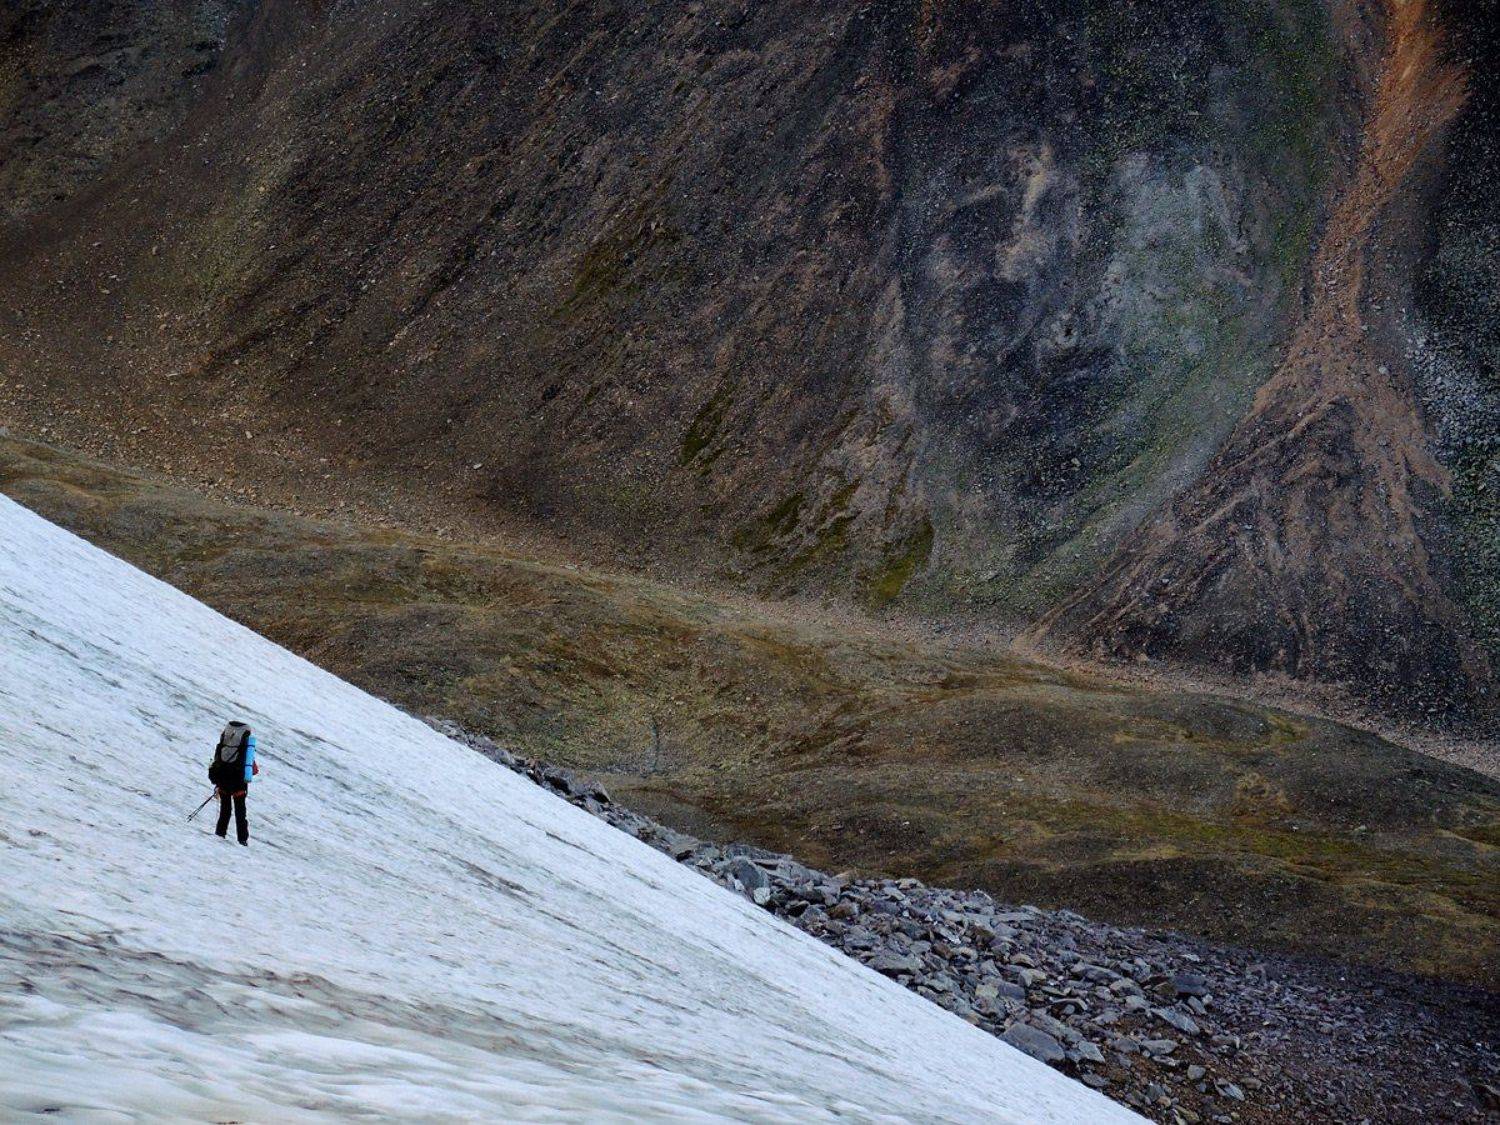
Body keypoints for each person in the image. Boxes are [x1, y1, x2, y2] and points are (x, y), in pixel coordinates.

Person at [208, 720, 259, 845]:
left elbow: (216, 761)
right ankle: (242, 840)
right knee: (240, 813)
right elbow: (254, 770)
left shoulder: (223, 744)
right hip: (238, 784)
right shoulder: (245, 748)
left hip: (223, 782)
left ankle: (220, 834)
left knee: (225, 810)